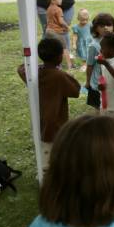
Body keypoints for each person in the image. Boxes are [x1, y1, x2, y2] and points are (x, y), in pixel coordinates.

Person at [16, 37, 81, 171]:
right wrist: (64, 73)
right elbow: (76, 90)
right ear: (59, 57)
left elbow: (21, 68)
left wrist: (39, 66)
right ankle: (52, 175)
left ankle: (45, 173)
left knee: (44, 149)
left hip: (41, 119)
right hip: (56, 121)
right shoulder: (59, 76)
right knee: (56, 149)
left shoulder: (34, 73)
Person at [84, 13, 114, 111]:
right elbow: (90, 65)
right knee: (98, 108)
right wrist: (88, 82)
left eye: (109, 25)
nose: (106, 28)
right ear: (95, 28)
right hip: (97, 83)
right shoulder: (94, 46)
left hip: (111, 80)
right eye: (102, 26)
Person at [44, 0, 73, 70]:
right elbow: (61, 21)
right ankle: (69, 65)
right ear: (53, 0)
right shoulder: (58, 9)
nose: (61, 0)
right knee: (64, 48)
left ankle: (55, 65)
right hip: (55, 32)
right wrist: (67, 26)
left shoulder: (49, 9)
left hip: (48, 31)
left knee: (53, 49)